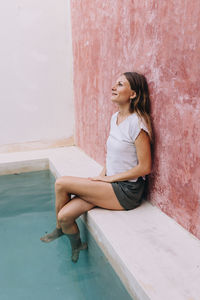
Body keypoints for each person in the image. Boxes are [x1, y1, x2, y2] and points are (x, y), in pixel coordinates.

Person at [40, 71, 153, 263]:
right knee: (66, 216)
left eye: (120, 84)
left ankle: (58, 229)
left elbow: (145, 168)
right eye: (115, 83)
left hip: (127, 191)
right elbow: (112, 157)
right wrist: (100, 177)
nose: (113, 87)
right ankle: (78, 245)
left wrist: (109, 179)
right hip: (110, 186)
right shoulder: (115, 118)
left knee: (61, 183)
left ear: (133, 94)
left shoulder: (137, 123)